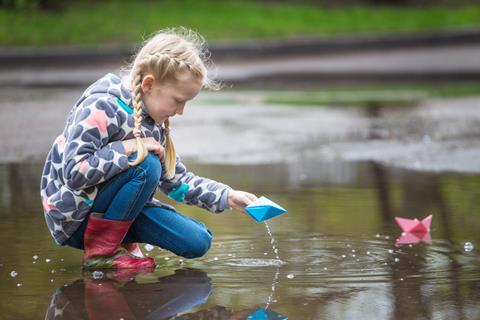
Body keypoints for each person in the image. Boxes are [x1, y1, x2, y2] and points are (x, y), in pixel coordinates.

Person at [39, 26, 258, 269]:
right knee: (147, 163)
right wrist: (129, 148)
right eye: (178, 101)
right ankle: (100, 254)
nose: (180, 111)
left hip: (118, 211)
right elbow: (74, 173)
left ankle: (117, 240)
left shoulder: (154, 123)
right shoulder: (101, 106)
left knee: (198, 241)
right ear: (149, 84)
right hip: (76, 217)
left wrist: (227, 196)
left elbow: (176, 182)